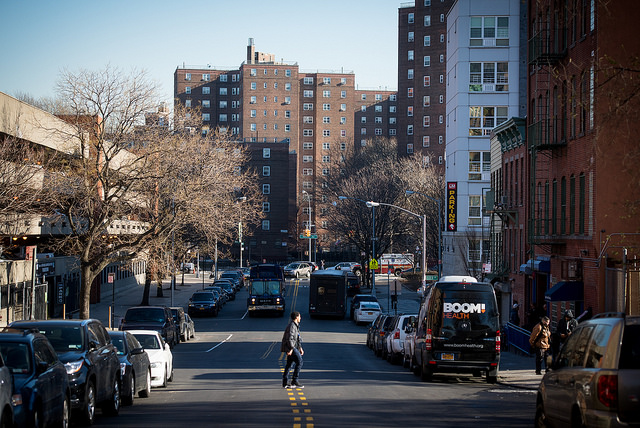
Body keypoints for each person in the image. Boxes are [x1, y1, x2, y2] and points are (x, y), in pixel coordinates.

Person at [281, 311, 304, 388]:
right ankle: (295, 380)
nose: (300, 318)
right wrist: (290, 349)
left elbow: (297, 338)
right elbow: (290, 339)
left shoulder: (295, 326)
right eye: (300, 316)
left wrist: (300, 348)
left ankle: (285, 383)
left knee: (289, 365)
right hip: (291, 348)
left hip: (293, 347)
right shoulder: (292, 326)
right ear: (296, 317)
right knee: (300, 362)